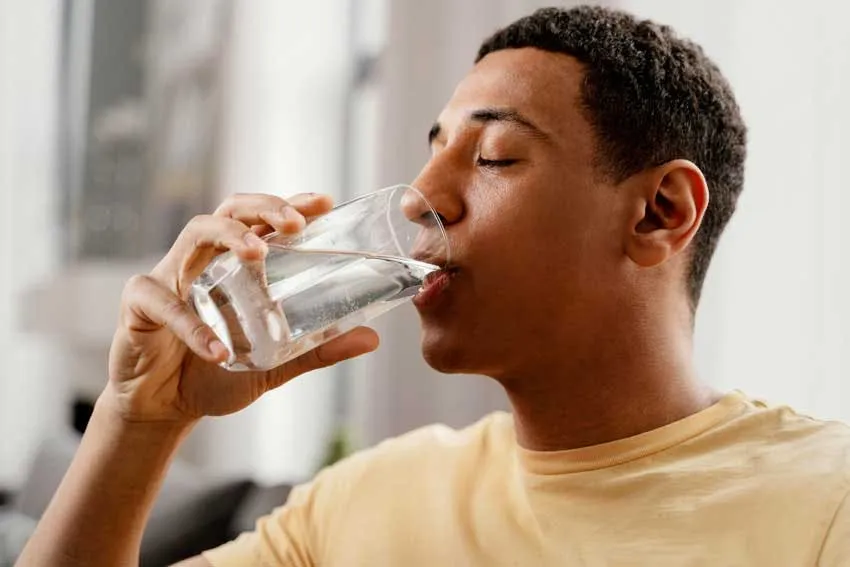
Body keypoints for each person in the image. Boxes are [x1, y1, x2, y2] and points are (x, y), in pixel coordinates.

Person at [16, 6, 850, 566]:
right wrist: (139, 418)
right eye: (432, 151)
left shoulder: (823, 504)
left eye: (493, 158)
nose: (425, 200)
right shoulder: (362, 503)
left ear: (659, 213)